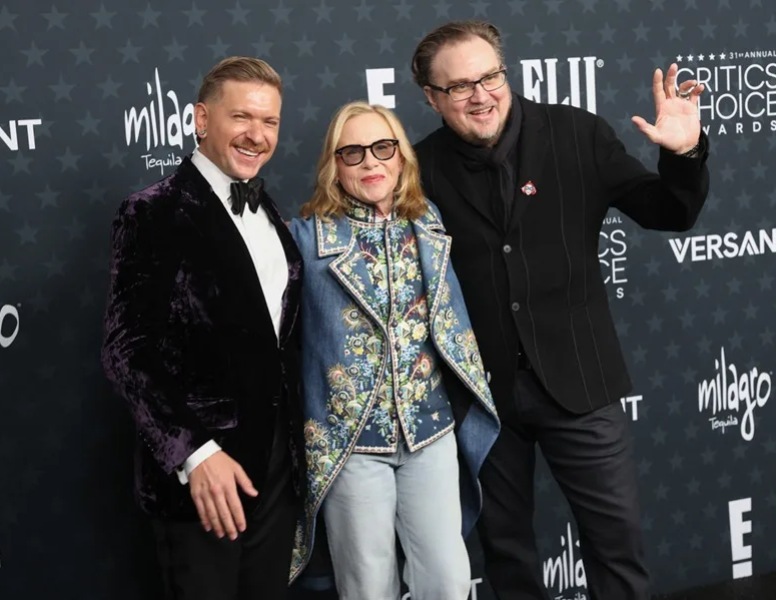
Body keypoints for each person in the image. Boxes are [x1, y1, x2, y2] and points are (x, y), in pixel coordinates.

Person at [411, 20, 710, 600]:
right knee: (506, 553)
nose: (481, 95)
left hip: (580, 379)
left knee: (616, 545)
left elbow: (669, 212)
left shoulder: (576, 133)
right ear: (431, 97)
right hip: (481, 398)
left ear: (505, 71)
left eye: (490, 76)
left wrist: (684, 153)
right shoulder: (416, 170)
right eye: (459, 87)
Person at [101, 56, 303, 600]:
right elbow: (126, 351)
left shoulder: (273, 215)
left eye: (270, 122)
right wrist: (197, 454)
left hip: (278, 471)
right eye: (242, 117)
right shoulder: (153, 212)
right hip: (201, 482)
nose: (257, 136)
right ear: (200, 119)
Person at [288, 101, 501, 600]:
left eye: (383, 148)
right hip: (352, 443)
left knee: (448, 578)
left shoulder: (427, 220)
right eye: (353, 152)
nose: (371, 163)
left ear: (401, 156)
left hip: (429, 430)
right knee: (368, 586)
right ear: (334, 166)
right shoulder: (305, 238)